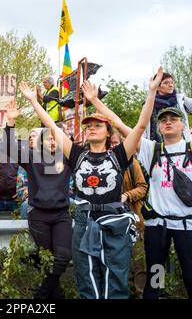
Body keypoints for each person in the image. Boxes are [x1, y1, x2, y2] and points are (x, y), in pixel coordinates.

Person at [88, 61, 192, 299]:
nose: (167, 121)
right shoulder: (150, 150)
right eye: (163, 119)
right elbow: (122, 125)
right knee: (155, 284)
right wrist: (95, 101)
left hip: (188, 227)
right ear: (159, 126)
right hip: (157, 229)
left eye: (173, 119)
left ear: (183, 125)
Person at [19, 66, 164, 299]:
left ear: (108, 132)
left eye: (98, 125)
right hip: (85, 222)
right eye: (88, 126)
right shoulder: (76, 155)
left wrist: (151, 93)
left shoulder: (119, 155)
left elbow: (140, 127)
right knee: (86, 279)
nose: (91, 128)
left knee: (115, 279)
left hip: (114, 222)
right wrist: (33, 102)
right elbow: (52, 126)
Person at [3, 99, 72, 299]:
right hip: (39, 215)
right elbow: (8, 146)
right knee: (47, 260)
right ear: (41, 141)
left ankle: (39, 297)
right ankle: (55, 297)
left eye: (56, 138)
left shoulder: (68, 158)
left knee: (62, 257)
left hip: (61, 215)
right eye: (48, 138)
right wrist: (10, 121)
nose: (52, 142)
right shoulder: (32, 157)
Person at [110, 130, 148, 298]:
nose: (113, 146)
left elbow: (143, 187)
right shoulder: (99, 164)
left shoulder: (133, 163)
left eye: (116, 143)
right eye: (110, 143)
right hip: (111, 222)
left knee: (140, 262)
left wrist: (127, 195)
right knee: (117, 262)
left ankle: (142, 293)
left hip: (134, 220)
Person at [145, 71, 192, 143]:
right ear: (157, 87)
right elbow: (144, 128)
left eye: (172, 82)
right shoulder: (148, 104)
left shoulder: (180, 100)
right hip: (155, 149)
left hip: (180, 149)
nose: (170, 85)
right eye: (166, 83)